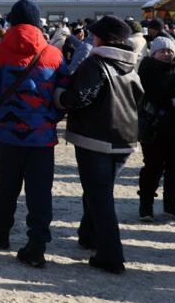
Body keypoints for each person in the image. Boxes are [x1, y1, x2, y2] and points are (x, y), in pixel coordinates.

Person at [0, 0, 64, 268]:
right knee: (40, 191)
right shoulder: (53, 54)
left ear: (12, 21)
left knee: (5, 185)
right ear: (38, 23)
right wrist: (50, 118)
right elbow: (64, 96)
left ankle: (0, 231)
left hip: (7, 134)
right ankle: (37, 242)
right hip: (41, 136)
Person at [55, 16, 143, 274]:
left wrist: (58, 97)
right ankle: (88, 235)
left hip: (96, 137)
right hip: (125, 137)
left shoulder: (97, 63)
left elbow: (79, 97)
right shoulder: (130, 63)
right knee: (100, 190)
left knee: (99, 194)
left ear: (102, 38)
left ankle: (110, 254)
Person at [137, 37, 175, 222]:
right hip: (154, 126)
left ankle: (171, 205)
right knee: (152, 167)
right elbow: (150, 94)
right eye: (162, 51)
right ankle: (146, 207)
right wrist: (170, 102)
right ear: (154, 53)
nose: (166, 54)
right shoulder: (147, 69)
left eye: (170, 51)